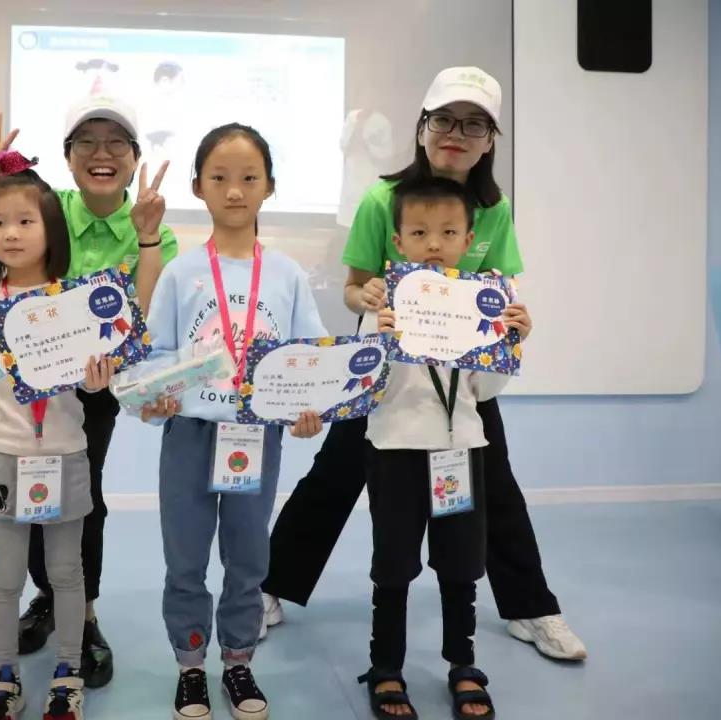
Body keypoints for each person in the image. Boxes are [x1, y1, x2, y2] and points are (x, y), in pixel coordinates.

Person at [263, 66, 587, 661]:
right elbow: (354, 287)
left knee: (494, 484)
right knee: (336, 474)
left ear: (490, 141)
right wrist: (368, 297)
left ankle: (531, 607)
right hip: (384, 369)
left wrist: (514, 323)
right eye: (444, 120)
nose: (455, 134)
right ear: (422, 127)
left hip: (461, 380)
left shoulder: (494, 209)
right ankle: (269, 588)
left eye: (474, 125)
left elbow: (501, 289)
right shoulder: (381, 200)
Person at [0, 97, 177, 687]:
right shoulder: (47, 205)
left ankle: (83, 609)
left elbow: (140, 313)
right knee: (24, 491)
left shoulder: (151, 224)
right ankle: (50, 598)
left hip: (92, 382)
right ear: (68, 156)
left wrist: (147, 239)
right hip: (15, 393)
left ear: (135, 156)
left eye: (116, 142)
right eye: (86, 142)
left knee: (80, 496)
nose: (102, 153)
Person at [140, 123, 326, 720]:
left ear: (270, 186)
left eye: (249, 177)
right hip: (191, 435)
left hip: (257, 435)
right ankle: (191, 665)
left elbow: (308, 356)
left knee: (248, 559)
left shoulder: (288, 275)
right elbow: (158, 353)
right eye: (219, 178)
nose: (236, 190)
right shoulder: (180, 272)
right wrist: (156, 396)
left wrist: (309, 411)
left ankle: (239, 661)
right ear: (198, 186)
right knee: (185, 558)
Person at [357, 176, 532, 720]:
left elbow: (485, 391)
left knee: (461, 565)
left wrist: (509, 342)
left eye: (448, 232)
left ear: (468, 240)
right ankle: (386, 667)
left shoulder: (480, 306)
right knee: (393, 565)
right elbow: (364, 386)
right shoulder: (380, 307)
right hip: (395, 451)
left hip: (461, 450)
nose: (434, 243)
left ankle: (463, 664)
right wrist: (379, 337)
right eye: (419, 232)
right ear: (398, 242)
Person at [0, 166, 116, 720]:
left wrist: (99, 380)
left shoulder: (80, 302)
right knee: (4, 578)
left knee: (66, 574)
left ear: (52, 229)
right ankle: (4, 679)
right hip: (2, 455)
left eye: (25, 221)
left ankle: (67, 674)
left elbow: (94, 383)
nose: (10, 233)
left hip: (66, 453)